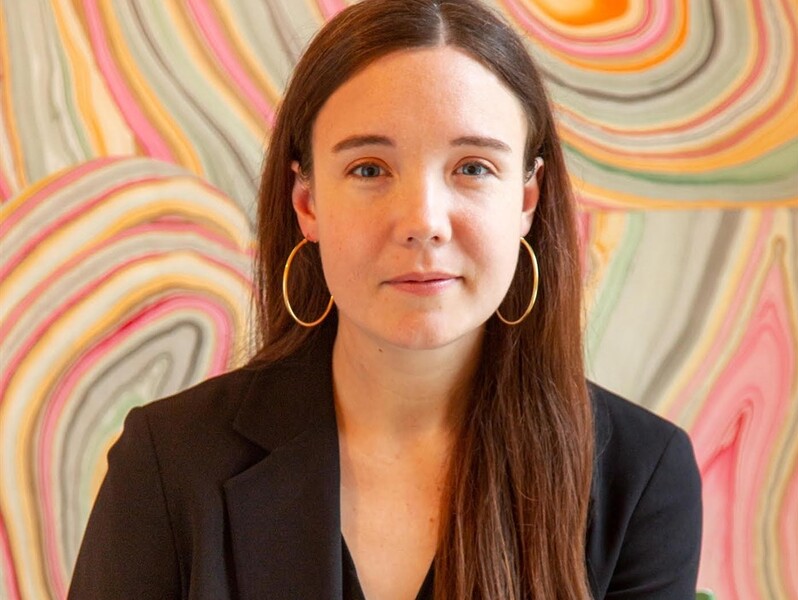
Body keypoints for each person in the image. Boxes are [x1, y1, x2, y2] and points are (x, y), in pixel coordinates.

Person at [68, 0, 702, 598]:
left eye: (473, 167)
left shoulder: (642, 479)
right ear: (307, 202)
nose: (423, 221)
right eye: (369, 169)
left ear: (527, 200)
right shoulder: (169, 461)